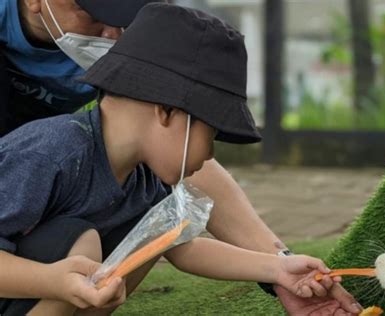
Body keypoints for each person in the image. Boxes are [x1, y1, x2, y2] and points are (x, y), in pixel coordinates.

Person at [0, 1, 362, 314]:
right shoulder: (50, 151)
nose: (209, 155)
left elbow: (180, 245)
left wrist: (277, 269)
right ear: (166, 112)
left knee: (142, 238)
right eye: (211, 134)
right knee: (82, 243)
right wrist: (51, 281)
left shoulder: (143, 176)